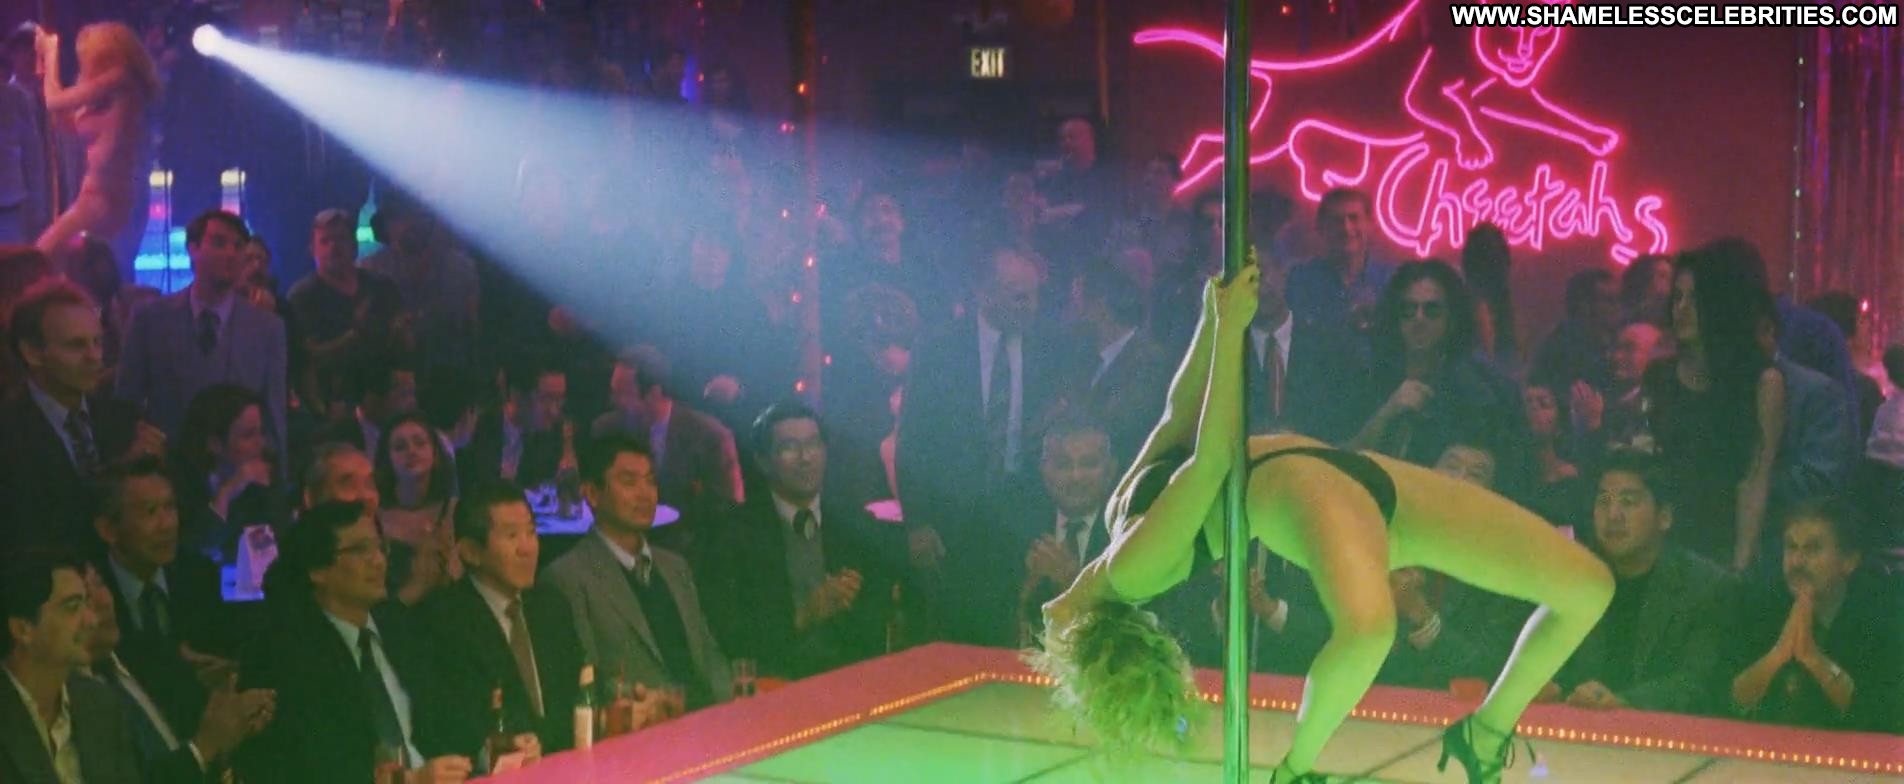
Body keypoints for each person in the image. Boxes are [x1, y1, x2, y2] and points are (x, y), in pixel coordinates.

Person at [1032, 254, 1612, 783]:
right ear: (1091, 643)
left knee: (1588, 587)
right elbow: (1210, 462)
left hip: (1355, 479)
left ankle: (1484, 733)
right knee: (1369, 630)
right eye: (1055, 640)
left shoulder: (1117, 519)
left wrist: (1212, 315)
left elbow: (1176, 414)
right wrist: (1232, 330)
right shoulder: (1132, 573)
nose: (1045, 624)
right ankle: (1295, 770)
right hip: (1313, 501)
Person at [31, 24, 156, 264]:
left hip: (109, 197)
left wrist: (51, 53)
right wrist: (45, 72)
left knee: (42, 256)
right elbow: (66, 122)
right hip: (94, 193)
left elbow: (55, 101)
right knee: (70, 263)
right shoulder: (104, 97)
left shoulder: (122, 79)